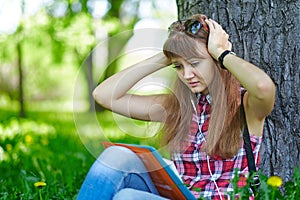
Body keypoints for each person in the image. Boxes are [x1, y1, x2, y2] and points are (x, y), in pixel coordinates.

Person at [77, 14, 275, 200]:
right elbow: (103, 95)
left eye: (195, 63)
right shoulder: (178, 107)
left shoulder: (245, 105)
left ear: (215, 60)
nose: (187, 74)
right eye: (179, 66)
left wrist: (222, 53)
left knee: (127, 198)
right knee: (115, 155)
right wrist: (167, 55)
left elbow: (263, 87)